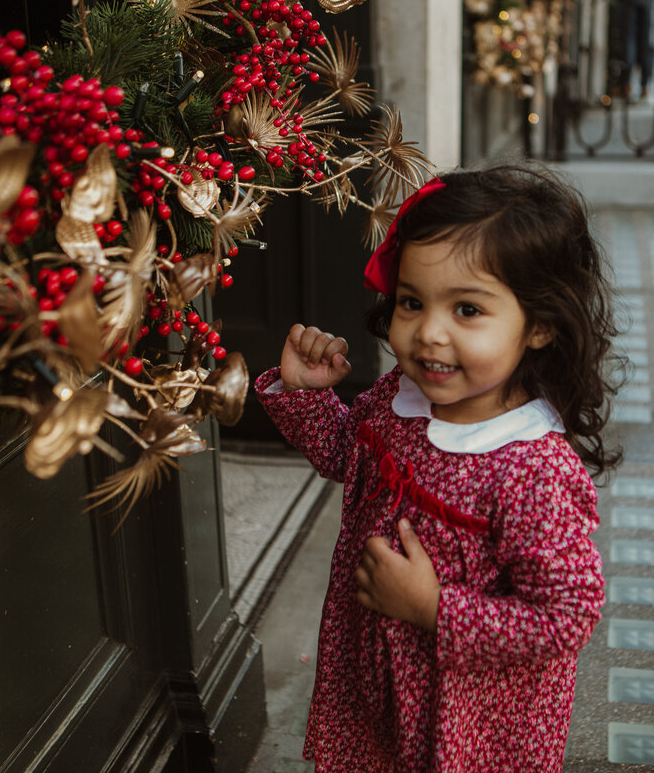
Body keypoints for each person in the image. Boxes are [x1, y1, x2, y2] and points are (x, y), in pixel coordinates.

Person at [254, 163, 621, 771]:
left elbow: (563, 617)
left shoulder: (531, 469)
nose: (429, 334)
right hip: (374, 687)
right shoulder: (403, 399)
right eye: (412, 301)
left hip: (468, 725)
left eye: (468, 310)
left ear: (540, 326)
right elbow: (350, 455)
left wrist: (434, 609)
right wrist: (303, 395)